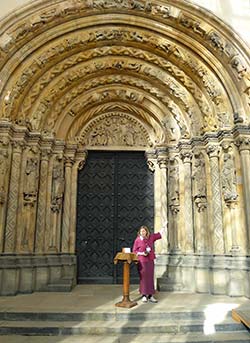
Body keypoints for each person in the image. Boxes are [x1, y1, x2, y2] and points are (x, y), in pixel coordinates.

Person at [132, 222, 167, 303]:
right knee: (143, 278)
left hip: (150, 260)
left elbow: (159, 234)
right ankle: (144, 295)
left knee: (150, 277)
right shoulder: (138, 240)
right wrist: (141, 253)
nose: (142, 233)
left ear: (146, 231)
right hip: (142, 261)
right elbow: (134, 251)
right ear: (139, 232)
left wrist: (164, 226)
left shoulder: (150, 237)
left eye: (144, 231)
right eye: (141, 231)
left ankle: (151, 295)